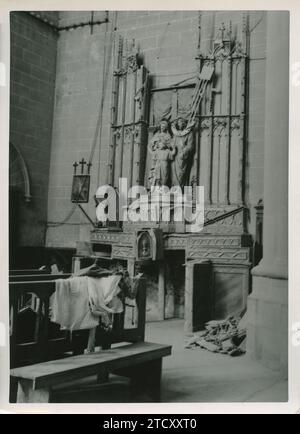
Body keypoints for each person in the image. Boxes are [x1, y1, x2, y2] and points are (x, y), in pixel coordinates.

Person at [148, 119, 176, 187]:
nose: (162, 127)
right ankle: (157, 189)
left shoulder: (168, 136)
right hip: (157, 157)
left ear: (166, 127)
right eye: (161, 126)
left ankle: (163, 187)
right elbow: (149, 145)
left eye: (163, 126)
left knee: (165, 174)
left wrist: (166, 145)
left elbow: (172, 146)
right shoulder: (156, 135)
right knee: (156, 175)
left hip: (164, 156)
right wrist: (153, 150)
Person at [171, 117, 195, 189]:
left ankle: (180, 189)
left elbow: (190, 146)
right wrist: (172, 147)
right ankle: (175, 189)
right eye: (178, 123)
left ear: (184, 124)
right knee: (173, 173)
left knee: (180, 174)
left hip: (182, 157)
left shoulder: (189, 133)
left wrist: (183, 153)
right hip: (174, 156)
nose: (179, 124)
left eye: (181, 122)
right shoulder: (175, 134)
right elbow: (172, 143)